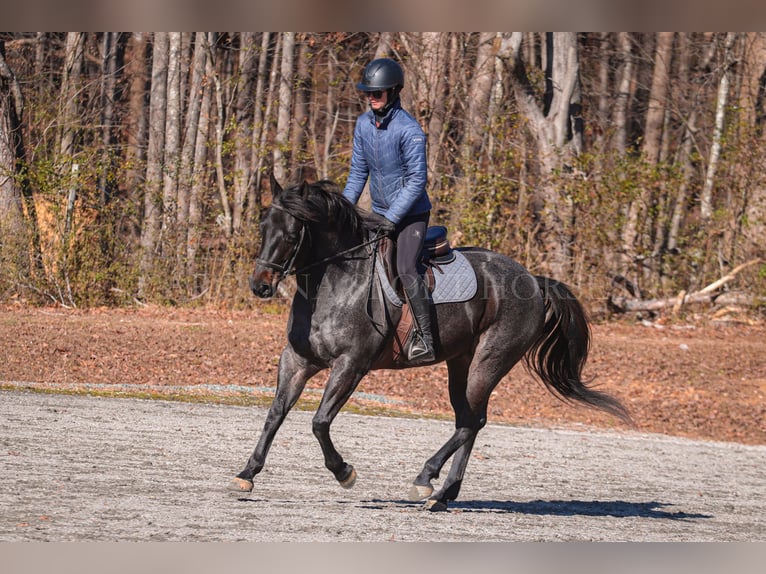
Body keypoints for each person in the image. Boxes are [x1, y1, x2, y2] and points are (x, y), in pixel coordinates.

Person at [343, 57, 435, 362]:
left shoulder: (409, 130)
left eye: (377, 93)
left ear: (394, 91)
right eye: (368, 93)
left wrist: (391, 218)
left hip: (410, 216)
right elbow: (358, 173)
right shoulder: (362, 125)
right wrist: (343, 210)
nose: (371, 97)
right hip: (380, 213)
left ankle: (426, 337)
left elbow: (417, 181)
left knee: (406, 269)